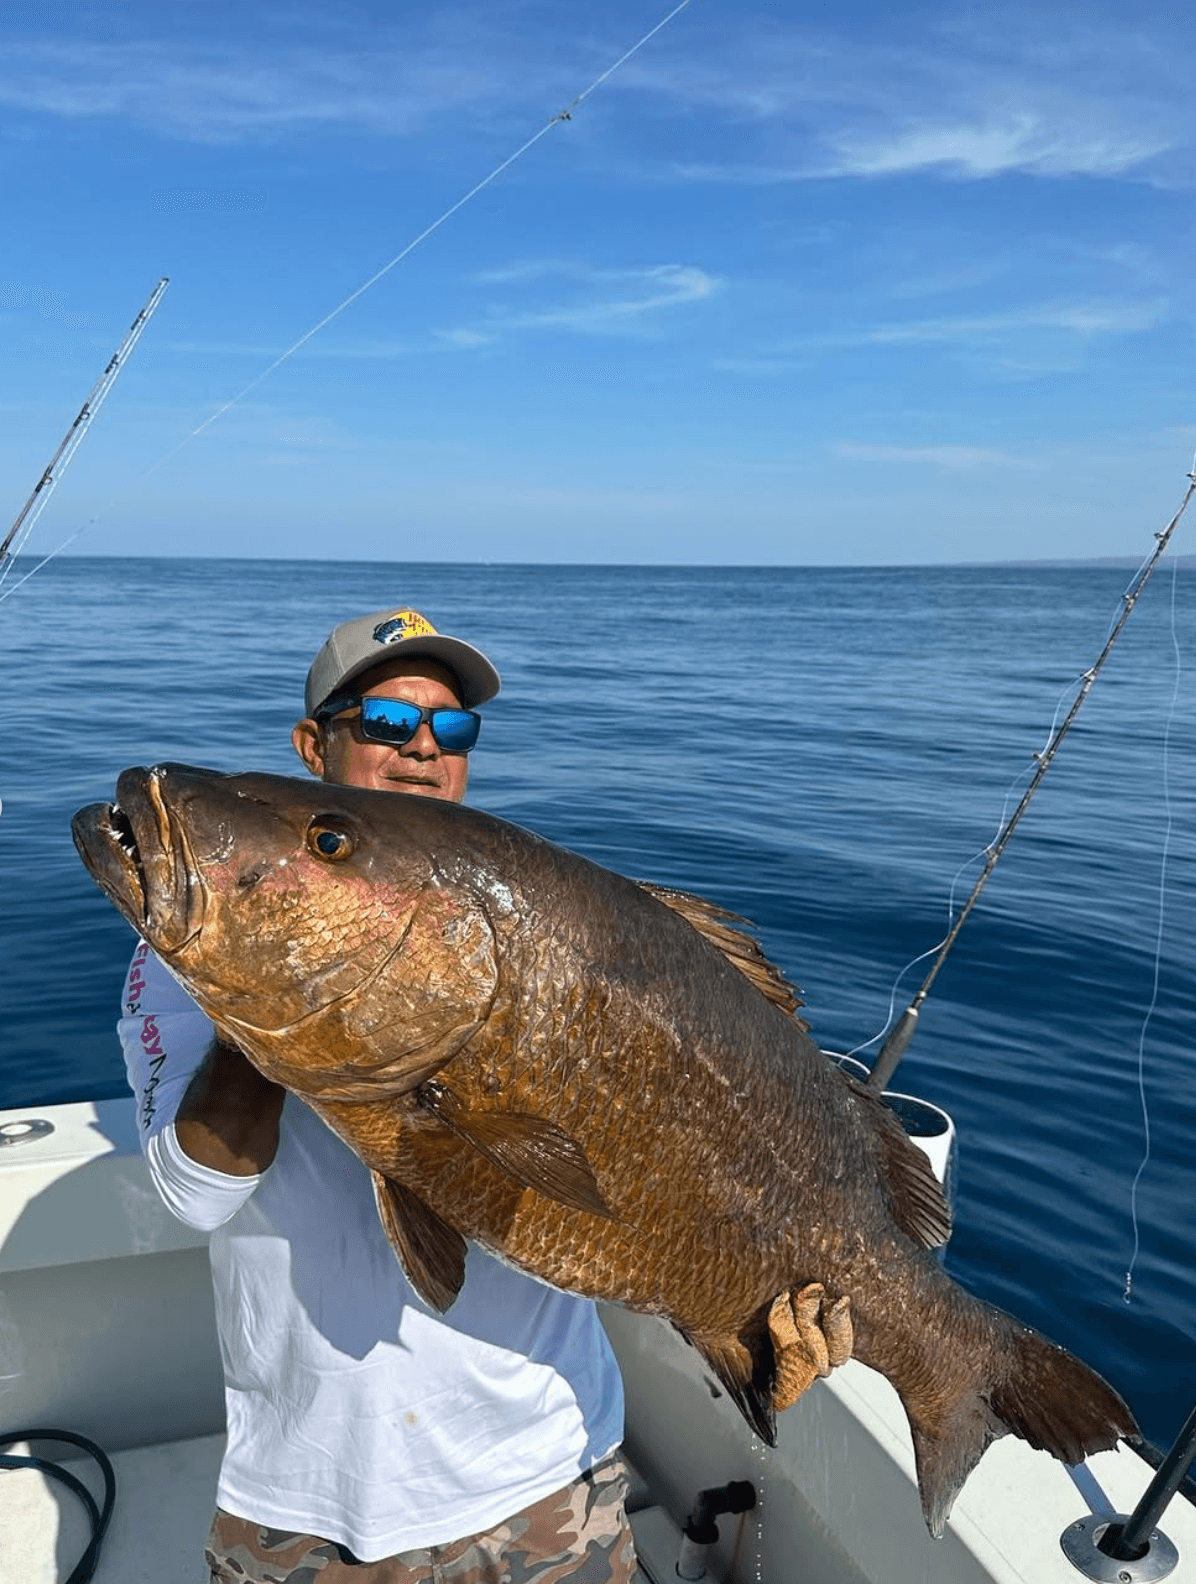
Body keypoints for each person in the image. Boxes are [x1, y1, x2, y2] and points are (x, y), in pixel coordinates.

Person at [119, 607, 638, 1584]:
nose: (422, 753)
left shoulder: (549, 930)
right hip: (312, 1498)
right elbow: (193, 1195)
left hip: (549, 1464)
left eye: (451, 729)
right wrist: (270, 983)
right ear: (314, 745)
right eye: (388, 725)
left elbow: (617, 1178)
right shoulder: (182, 951)